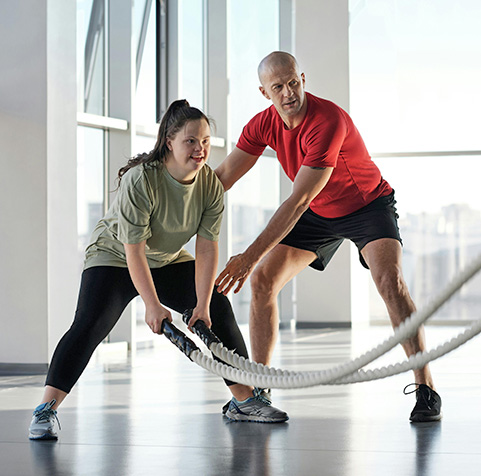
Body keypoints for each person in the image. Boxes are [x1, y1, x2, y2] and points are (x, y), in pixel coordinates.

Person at [28, 100, 288, 441]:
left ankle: (244, 401)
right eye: (191, 141)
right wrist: (152, 304)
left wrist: (203, 304)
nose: (201, 149)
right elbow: (133, 250)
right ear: (169, 141)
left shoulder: (209, 184)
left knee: (220, 307)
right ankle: (46, 410)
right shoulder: (142, 180)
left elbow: (207, 247)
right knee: (91, 323)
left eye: (206, 141)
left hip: (165, 258)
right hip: (115, 255)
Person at [214, 52, 442, 422]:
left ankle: (426, 387)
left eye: (293, 82)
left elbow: (298, 199)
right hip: (319, 212)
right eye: (278, 87)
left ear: (302, 78)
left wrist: (248, 254)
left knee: (390, 282)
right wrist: (173, 206)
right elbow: (222, 177)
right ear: (264, 93)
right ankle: (257, 393)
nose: (288, 92)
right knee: (263, 281)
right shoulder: (262, 125)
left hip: (366, 205)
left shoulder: (328, 120)